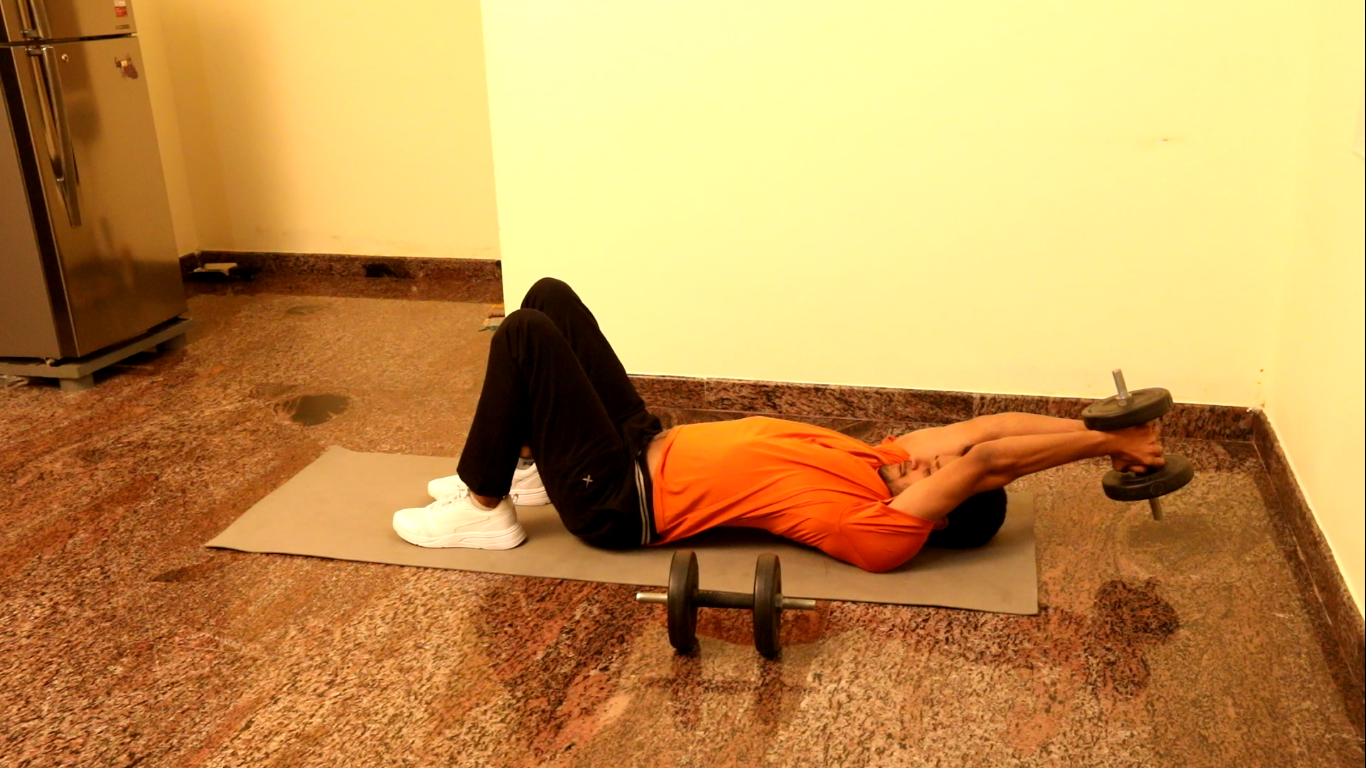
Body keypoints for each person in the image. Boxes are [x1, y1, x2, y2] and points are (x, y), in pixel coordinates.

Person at [392, 278, 1166, 573]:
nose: (931, 459)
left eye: (938, 477)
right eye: (936, 461)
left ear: (934, 514)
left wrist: (1108, 444)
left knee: (524, 334)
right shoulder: (883, 459)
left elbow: (986, 463)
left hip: (619, 499)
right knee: (550, 298)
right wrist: (1095, 424)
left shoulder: (878, 529)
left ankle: (485, 506)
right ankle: (532, 468)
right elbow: (983, 431)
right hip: (640, 440)